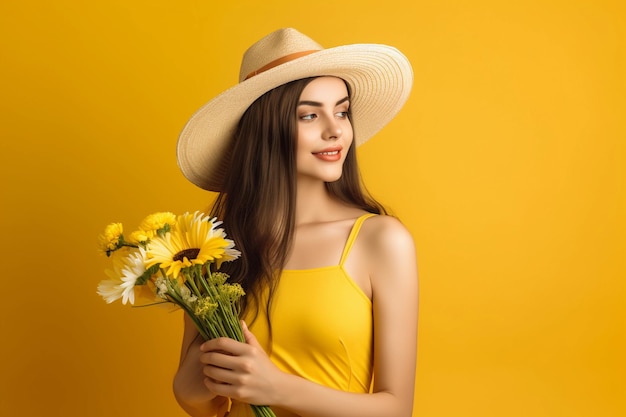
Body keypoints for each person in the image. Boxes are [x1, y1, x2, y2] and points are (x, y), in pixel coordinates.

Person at [173, 28, 418, 417]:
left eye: (341, 111)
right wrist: (187, 383)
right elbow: (202, 403)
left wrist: (277, 387)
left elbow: (396, 409)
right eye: (309, 115)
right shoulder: (212, 245)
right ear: (265, 131)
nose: (335, 129)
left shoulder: (381, 240)